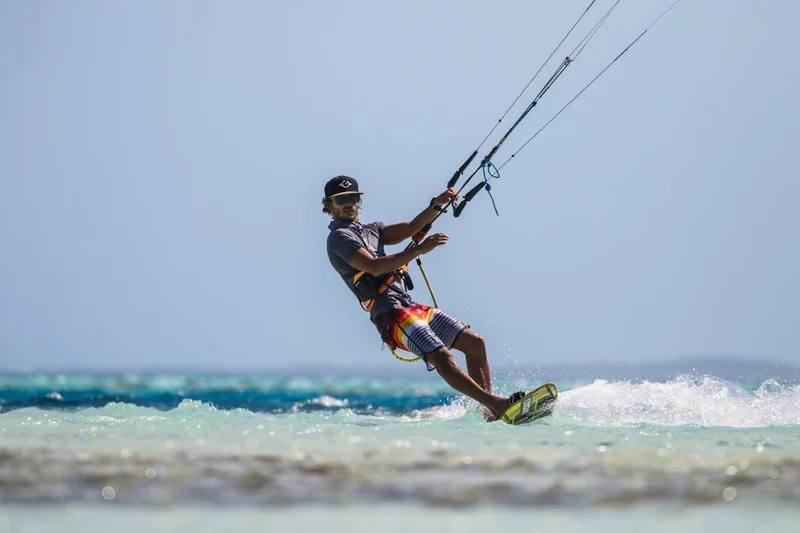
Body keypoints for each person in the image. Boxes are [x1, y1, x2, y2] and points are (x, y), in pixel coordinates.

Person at [322, 175, 522, 421]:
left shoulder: (371, 230)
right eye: (341, 200)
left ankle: (490, 412)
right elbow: (374, 267)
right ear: (328, 205)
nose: (349, 203)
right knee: (441, 356)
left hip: (409, 306)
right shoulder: (339, 238)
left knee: (475, 343)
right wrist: (420, 249)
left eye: (353, 197)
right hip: (390, 315)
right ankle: (497, 405)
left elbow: (410, 229)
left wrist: (436, 204)